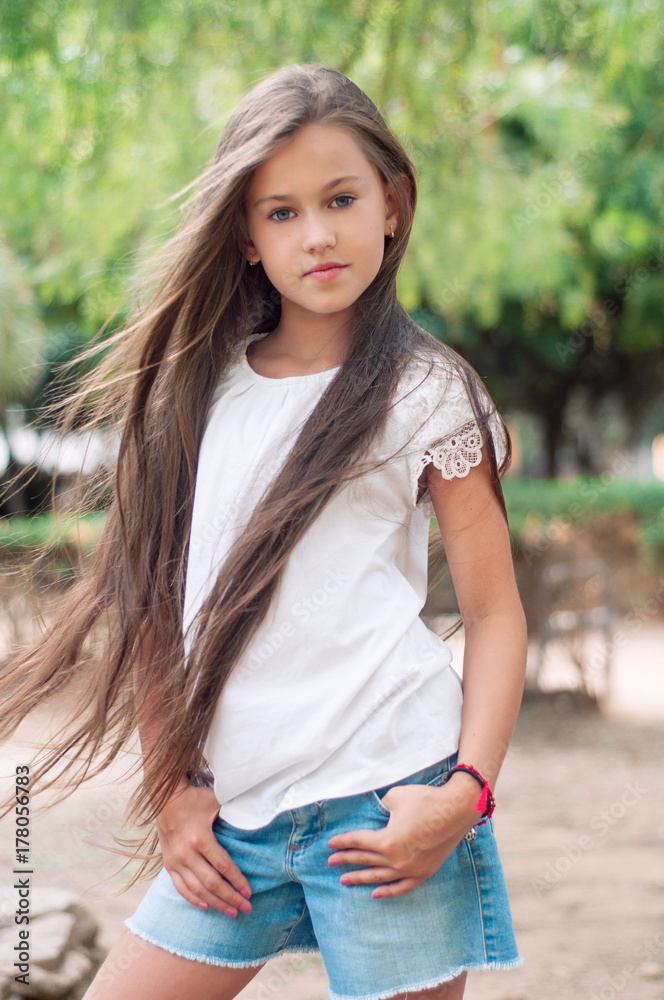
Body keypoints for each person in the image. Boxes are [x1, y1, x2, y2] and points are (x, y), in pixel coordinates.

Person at [0, 64, 527, 1000]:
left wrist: (465, 796)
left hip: (387, 805)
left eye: (341, 199)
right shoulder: (196, 393)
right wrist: (172, 788)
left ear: (392, 204)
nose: (316, 234)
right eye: (281, 212)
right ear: (245, 236)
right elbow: (158, 605)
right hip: (231, 820)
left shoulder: (428, 391)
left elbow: (493, 614)